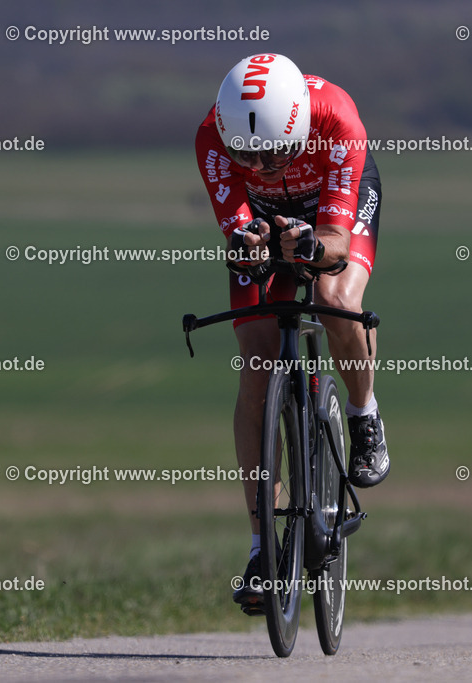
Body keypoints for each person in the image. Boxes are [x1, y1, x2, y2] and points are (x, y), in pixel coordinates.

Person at [194, 53, 389, 613]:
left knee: (334, 299)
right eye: (245, 154)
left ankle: (363, 412)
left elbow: (332, 240)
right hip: (265, 216)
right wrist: (250, 244)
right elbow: (238, 236)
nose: (258, 162)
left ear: (298, 128)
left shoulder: (336, 118)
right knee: (255, 364)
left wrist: (309, 247)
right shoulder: (212, 134)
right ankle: (262, 547)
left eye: (273, 151)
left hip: (333, 204)